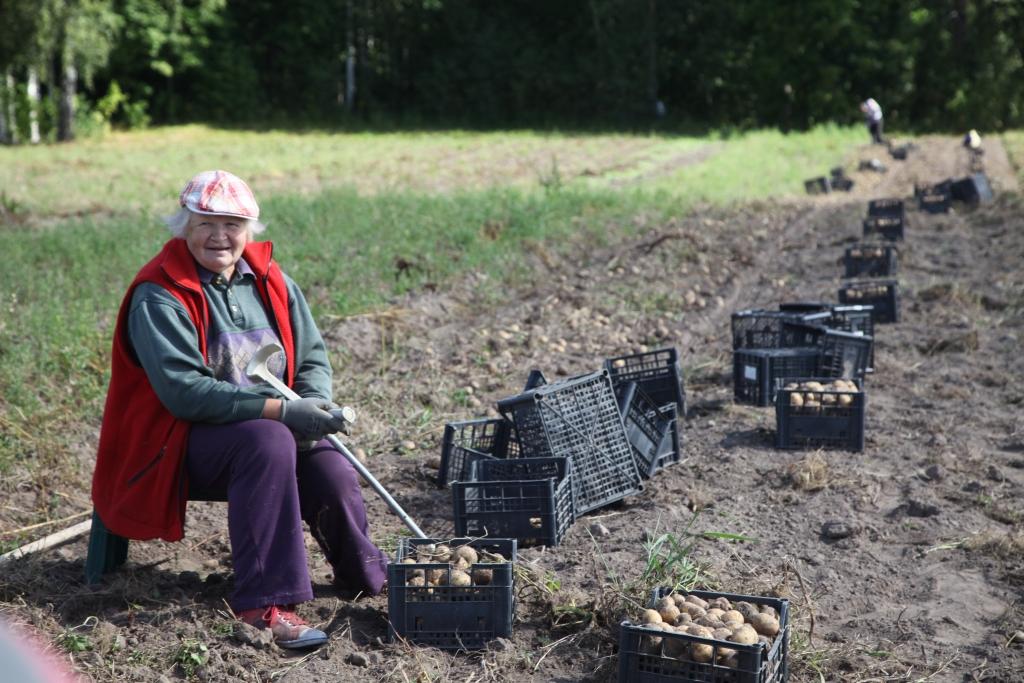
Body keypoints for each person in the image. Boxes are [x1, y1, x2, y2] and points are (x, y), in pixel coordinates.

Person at [91, 170, 388, 649]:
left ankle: (367, 574)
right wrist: (279, 413)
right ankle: (265, 605)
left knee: (330, 464)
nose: (219, 236)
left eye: (232, 223)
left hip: (259, 430)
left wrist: (310, 403)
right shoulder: (160, 293)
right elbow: (184, 393)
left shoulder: (270, 280)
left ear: (250, 228)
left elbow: (311, 356)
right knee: (267, 441)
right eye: (206, 222)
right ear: (183, 225)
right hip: (173, 445)